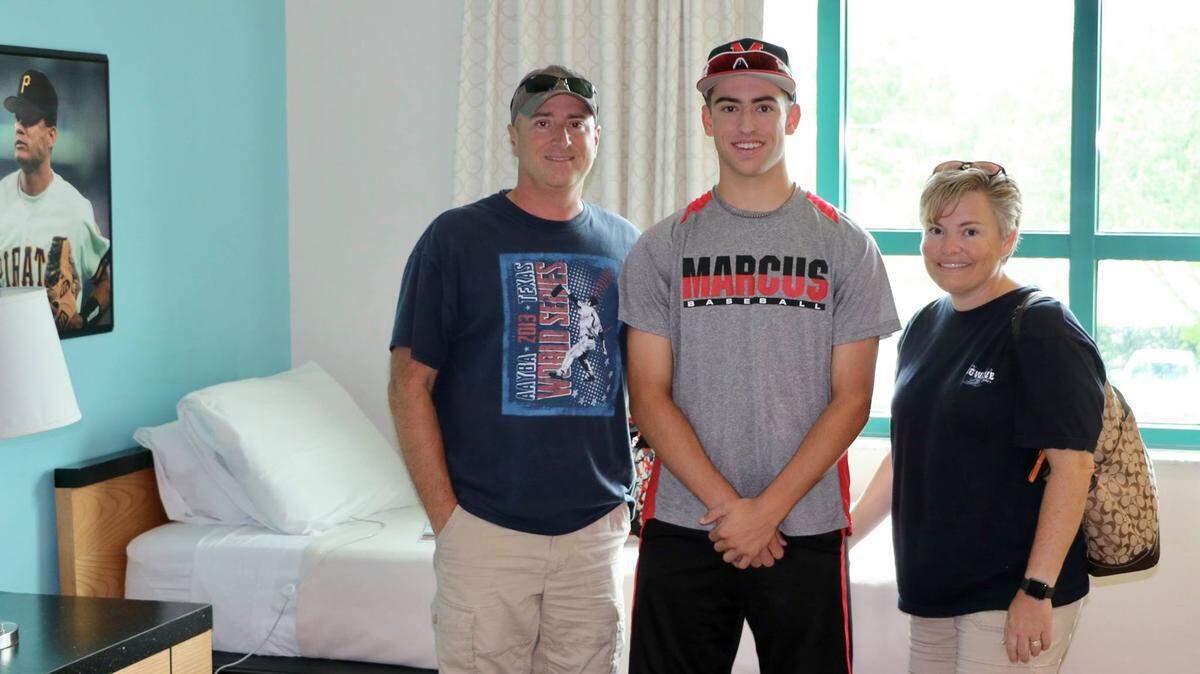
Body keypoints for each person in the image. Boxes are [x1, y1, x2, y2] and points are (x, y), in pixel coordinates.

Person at [620, 38, 900, 673]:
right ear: (707, 119)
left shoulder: (846, 245)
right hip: (686, 522)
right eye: (729, 107)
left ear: (791, 117)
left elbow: (853, 400)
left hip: (805, 524)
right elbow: (649, 396)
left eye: (764, 106)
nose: (746, 124)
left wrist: (765, 513)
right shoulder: (662, 247)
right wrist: (733, 513)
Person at [388, 65, 639, 673]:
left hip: (593, 534)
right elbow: (409, 386)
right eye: (543, 122)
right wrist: (448, 521)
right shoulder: (455, 239)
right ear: (513, 135)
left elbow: (647, 387)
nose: (561, 138)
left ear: (597, 137)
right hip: (486, 531)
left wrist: (626, 509)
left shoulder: (626, 244)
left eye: (577, 123)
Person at [850, 161, 1105, 672]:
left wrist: (1037, 590)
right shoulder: (925, 324)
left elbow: (1074, 468)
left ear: (1008, 238)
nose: (949, 247)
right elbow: (908, 456)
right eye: (935, 230)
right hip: (931, 592)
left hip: (1010, 596)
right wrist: (842, 539)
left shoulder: (1041, 326)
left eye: (970, 231)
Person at [0, 69, 111, 334]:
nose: (19, 127)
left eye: (29, 119)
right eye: (17, 118)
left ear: (51, 135)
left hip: (60, 350)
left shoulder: (76, 208)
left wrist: (85, 320)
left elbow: (105, 283)